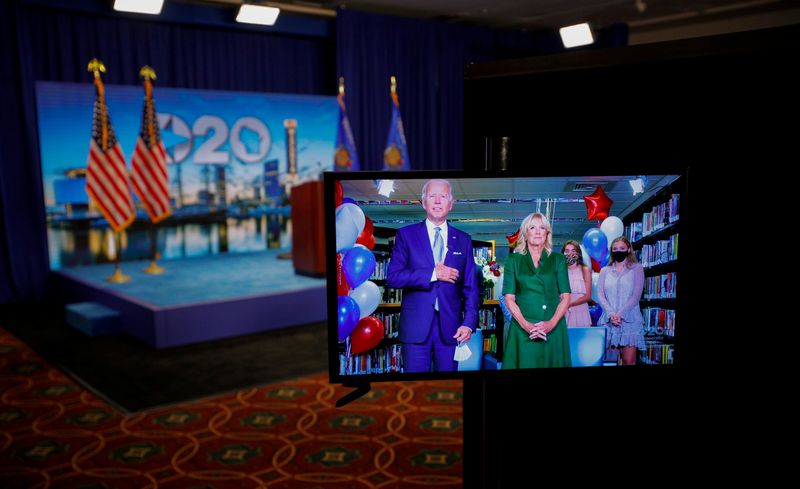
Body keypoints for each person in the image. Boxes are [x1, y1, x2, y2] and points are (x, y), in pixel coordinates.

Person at [386, 179, 479, 372]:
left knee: (447, 389)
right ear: (424, 202)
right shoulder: (406, 235)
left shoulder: (463, 240)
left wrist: (469, 324)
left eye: (443, 196)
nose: (437, 201)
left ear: (451, 204)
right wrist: (433, 274)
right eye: (432, 196)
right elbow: (394, 277)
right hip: (415, 328)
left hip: (452, 330)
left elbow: (471, 289)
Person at [501, 212, 571, 369]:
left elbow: (566, 297)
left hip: (553, 329)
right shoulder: (513, 260)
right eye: (533, 227)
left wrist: (551, 324)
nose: (538, 231)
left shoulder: (558, 260)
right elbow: (509, 298)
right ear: (525, 233)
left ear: (547, 233)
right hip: (522, 328)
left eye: (542, 228)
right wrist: (527, 325)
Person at [596, 236, 645, 365]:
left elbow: (636, 295)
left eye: (622, 248)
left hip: (630, 321)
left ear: (628, 249)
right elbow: (600, 294)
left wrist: (620, 314)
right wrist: (612, 314)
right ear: (612, 251)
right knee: (609, 361)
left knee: (629, 361)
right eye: (615, 249)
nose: (618, 251)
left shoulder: (637, 268)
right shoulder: (604, 271)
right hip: (609, 321)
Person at [561, 240, 593, 328]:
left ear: (578, 253)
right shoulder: (559, 271)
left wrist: (570, 303)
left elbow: (588, 296)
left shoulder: (585, 270)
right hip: (563, 312)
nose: (570, 253)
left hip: (581, 313)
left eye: (573, 250)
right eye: (567, 251)